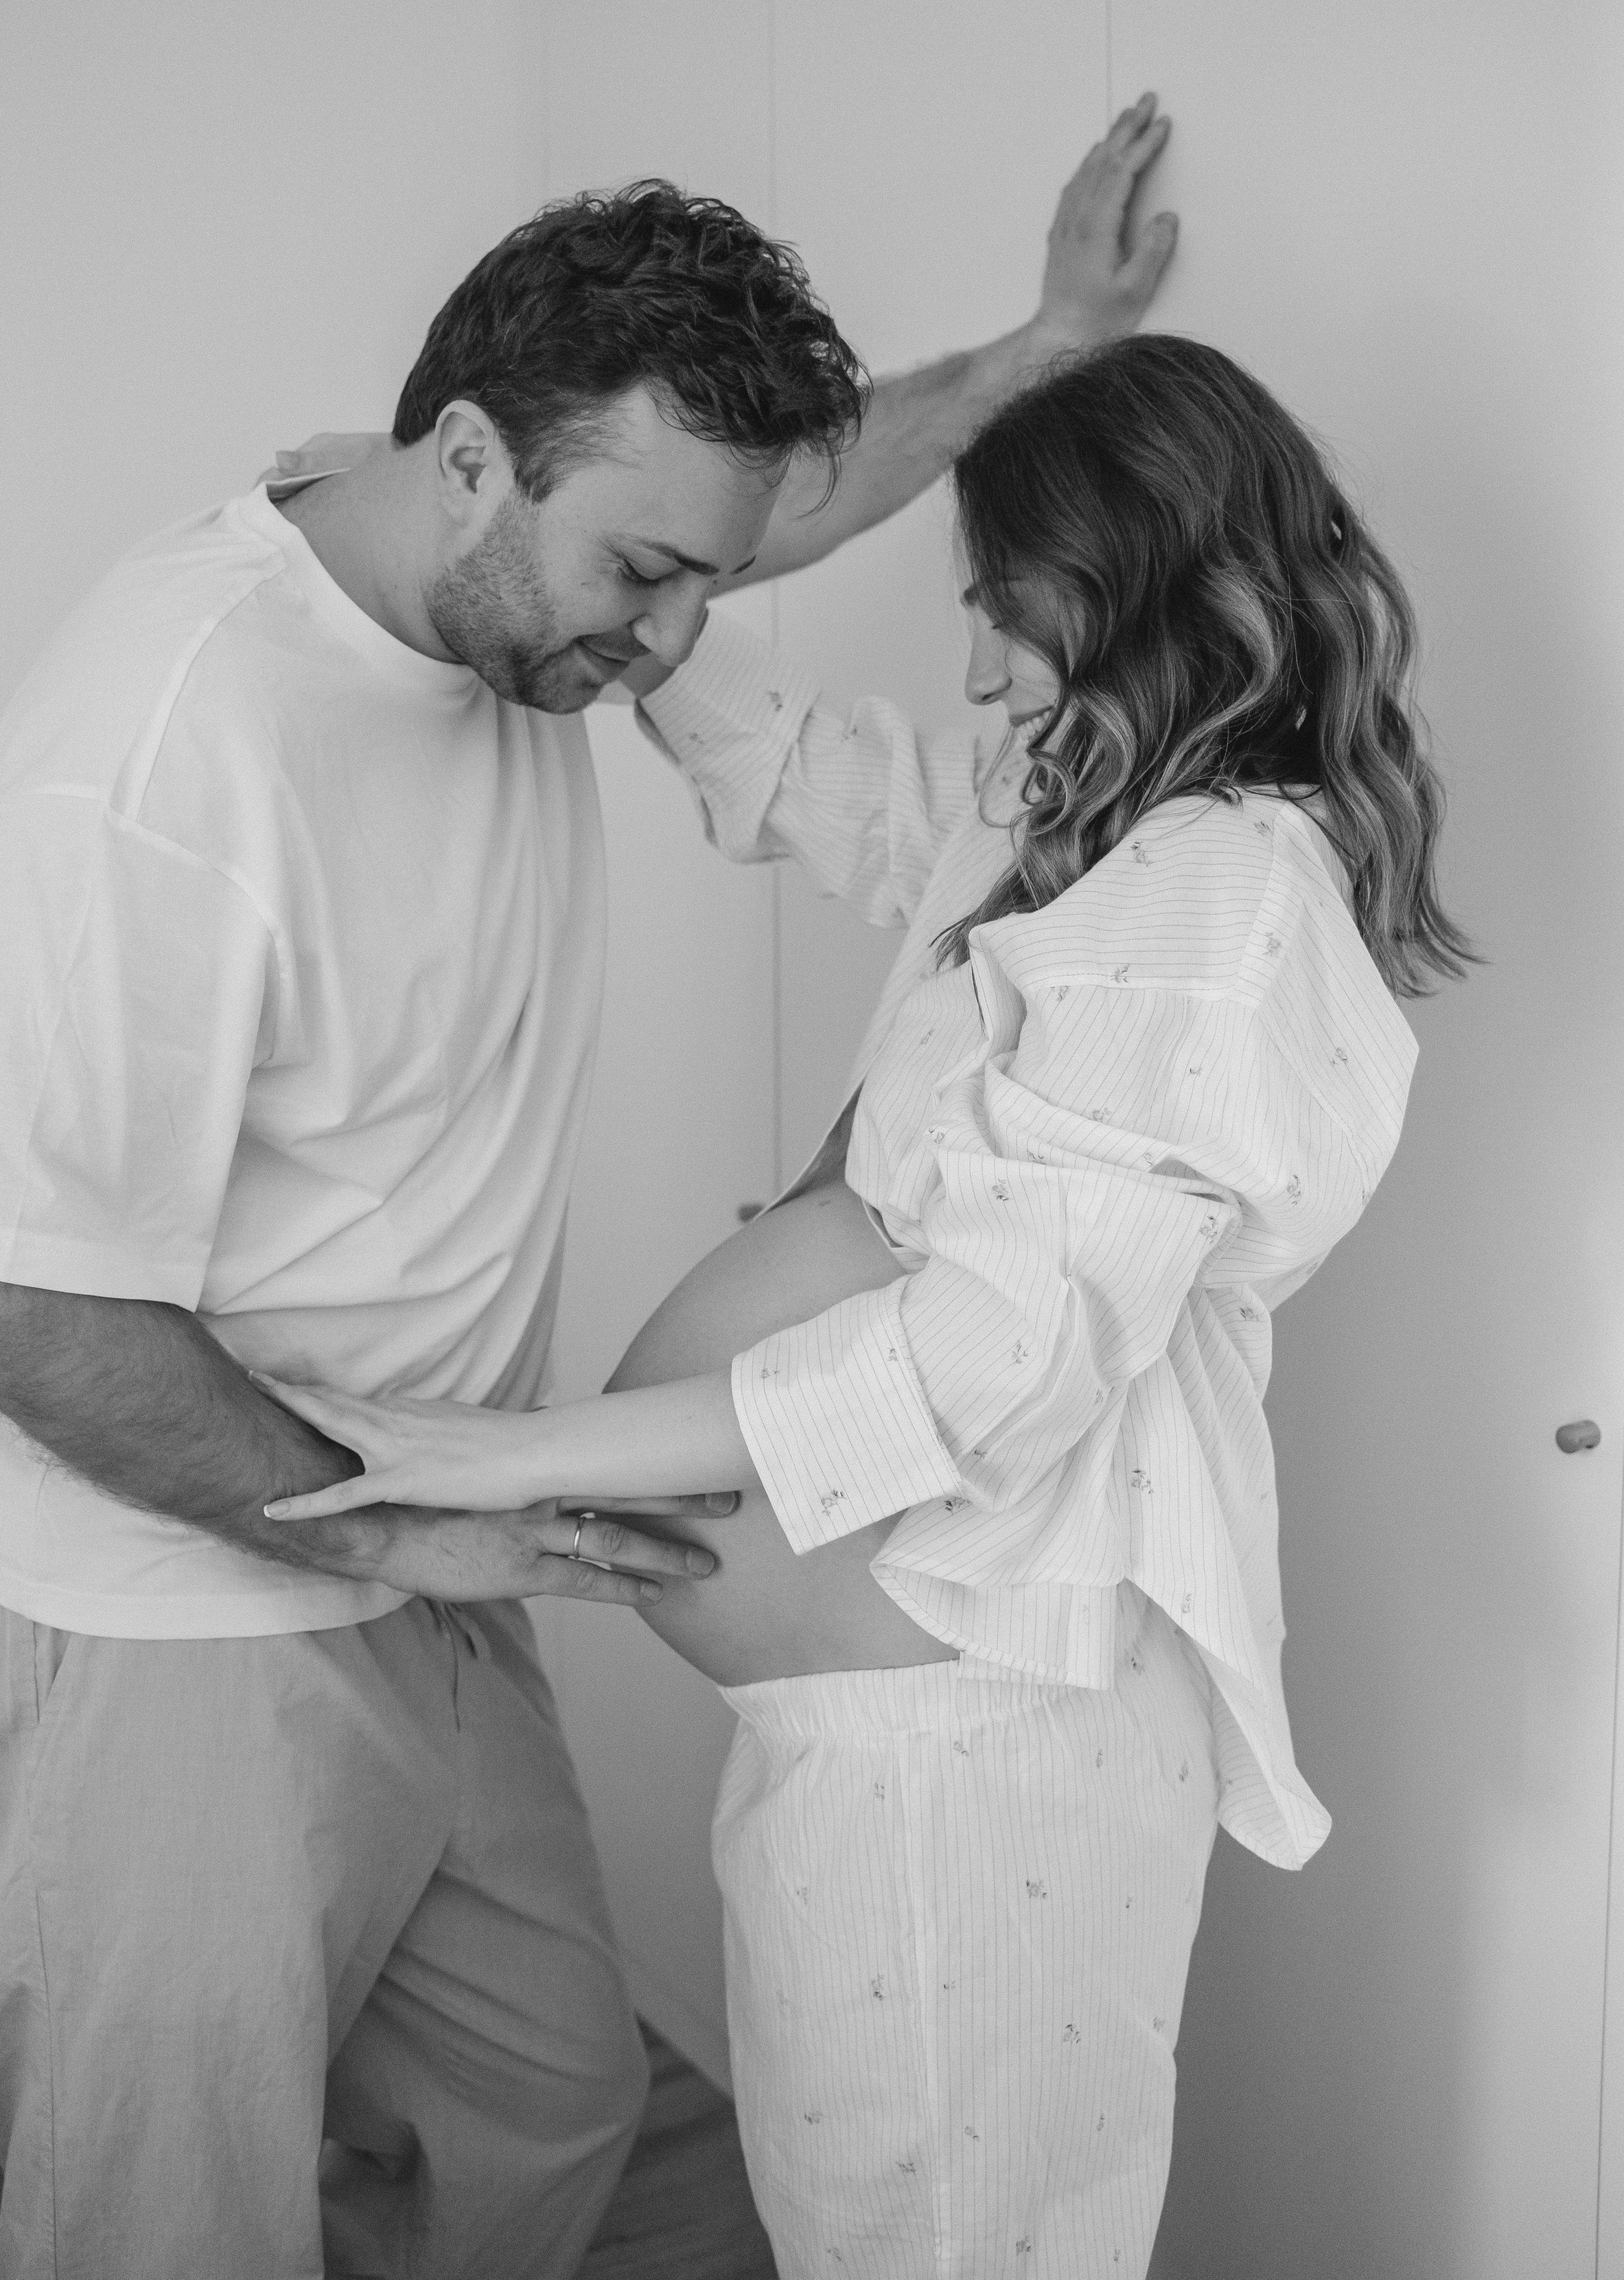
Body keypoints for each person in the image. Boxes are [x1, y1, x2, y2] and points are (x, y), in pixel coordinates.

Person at [0, 102, 1176, 2280]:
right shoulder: (169, 753)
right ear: (469, 461)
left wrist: (1053, 339)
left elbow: (783, 501)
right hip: (172, 1606)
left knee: (546, 2101)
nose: (676, 649)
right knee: (159, 2222)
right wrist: (390, 1513)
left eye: (706, 576)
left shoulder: (500, 543)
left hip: (432, 1552)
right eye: (649, 579)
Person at [266, 331, 1474, 2278]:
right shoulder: (1075, 837)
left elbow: (985, 1356)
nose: (983, 665)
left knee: (936, 2243)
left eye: (1012, 615)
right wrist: (580, 564)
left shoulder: (1219, 901)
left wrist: (512, 1455)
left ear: (1161, 587)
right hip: (897, 1736)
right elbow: (816, 773)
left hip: (986, 1745)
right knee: (873, 2226)